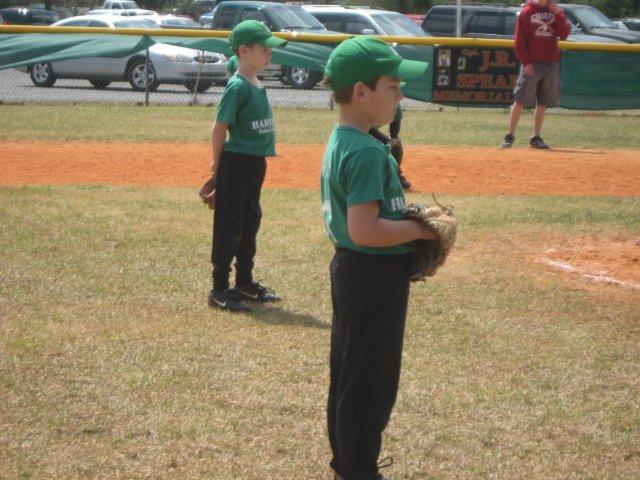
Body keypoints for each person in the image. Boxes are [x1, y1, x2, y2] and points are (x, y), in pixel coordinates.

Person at [320, 36, 436, 480]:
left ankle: (347, 464)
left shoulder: (348, 140)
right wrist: (422, 229)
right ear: (361, 91)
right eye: (393, 86)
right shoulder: (366, 151)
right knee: (371, 384)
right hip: (372, 274)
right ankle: (359, 469)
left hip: (353, 271)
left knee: (350, 376)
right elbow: (364, 229)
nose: (401, 95)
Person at [200, 20, 286, 312]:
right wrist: (217, 166)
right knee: (230, 224)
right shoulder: (237, 87)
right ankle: (220, 288)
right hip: (235, 164)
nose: (269, 54)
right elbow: (219, 128)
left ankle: (245, 283)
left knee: (251, 221)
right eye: (264, 49)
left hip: (254, 164)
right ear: (244, 51)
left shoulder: (256, 83)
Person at [501, 0, 570, 149]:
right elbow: (519, 40)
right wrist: (525, 62)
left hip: (551, 62)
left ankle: (535, 136)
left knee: (543, 102)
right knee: (520, 99)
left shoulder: (555, 11)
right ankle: (510, 135)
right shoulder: (527, 12)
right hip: (532, 62)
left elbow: (564, 34)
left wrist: (558, 14)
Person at [369, 106, 411, 190]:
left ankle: (396, 176)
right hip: (357, 129)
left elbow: (394, 135)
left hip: (370, 128)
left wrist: (393, 139)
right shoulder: (367, 102)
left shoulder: (395, 106)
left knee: (396, 147)